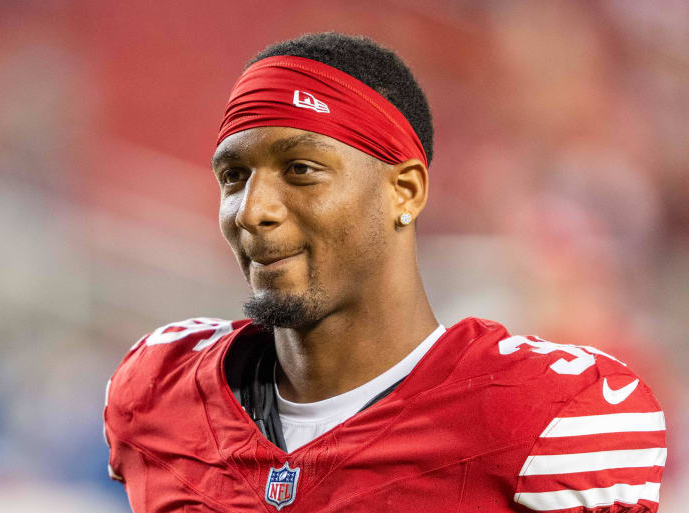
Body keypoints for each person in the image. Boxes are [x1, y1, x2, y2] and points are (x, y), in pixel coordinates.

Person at [103, 32, 666, 512]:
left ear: (405, 191)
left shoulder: (548, 415)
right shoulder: (157, 390)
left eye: (300, 170)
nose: (253, 210)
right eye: (233, 176)